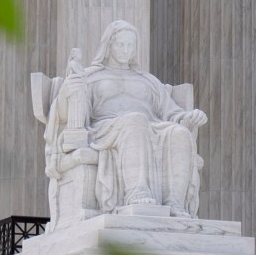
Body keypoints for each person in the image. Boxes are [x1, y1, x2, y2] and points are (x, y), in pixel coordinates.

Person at [34, 20, 206, 225]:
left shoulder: (149, 81)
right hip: (105, 129)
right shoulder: (90, 76)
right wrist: (67, 91)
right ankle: (136, 191)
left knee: (179, 133)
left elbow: (171, 112)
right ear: (109, 46)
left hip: (152, 127)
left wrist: (188, 118)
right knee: (135, 121)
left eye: (130, 45)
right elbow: (65, 113)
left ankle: (175, 203)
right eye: (121, 45)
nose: (126, 50)